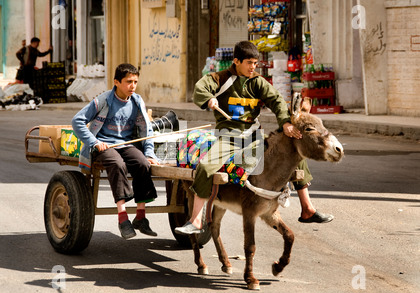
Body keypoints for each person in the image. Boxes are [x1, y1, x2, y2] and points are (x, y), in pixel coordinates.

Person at [175, 41, 333, 235]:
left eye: (255, 63)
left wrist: (286, 123)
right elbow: (200, 88)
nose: (253, 67)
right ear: (236, 61)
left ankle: (307, 208)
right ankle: (196, 220)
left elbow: (276, 100)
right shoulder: (219, 78)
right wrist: (209, 98)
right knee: (206, 166)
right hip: (229, 136)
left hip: (254, 135)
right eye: (249, 62)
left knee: (294, 151)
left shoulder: (257, 81)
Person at [72, 63, 160, 239]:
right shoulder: (104, 100)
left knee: (142, 163)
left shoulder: (137, 101)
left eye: (135, 82)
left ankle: (141, 217)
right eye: (128, 82)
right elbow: (77, 121)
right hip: (104, 145)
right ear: (116, 82)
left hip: (127, 144)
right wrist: (95, 142)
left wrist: (149, 153)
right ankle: (123, 218)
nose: (132, 86)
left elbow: (146, 130)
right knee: (117, 164)